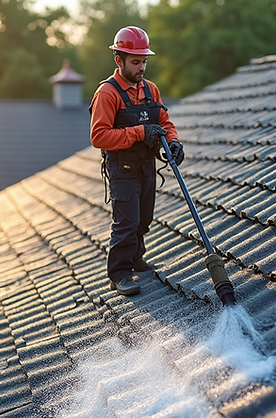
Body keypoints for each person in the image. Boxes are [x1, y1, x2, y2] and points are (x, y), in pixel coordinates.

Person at [90, 25, 185, 297]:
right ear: (118, 60)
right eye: (135, 62)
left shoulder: (150, 90)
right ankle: (119, 273)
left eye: (144, 61)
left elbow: (164, 122)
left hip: (147, 165)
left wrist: (174, 142)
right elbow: (99, 136)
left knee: (144, 220)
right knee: (126, 222)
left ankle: (135, 257)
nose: (142, 67)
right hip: (123, 169)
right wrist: (140, 132)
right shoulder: (107, 94)